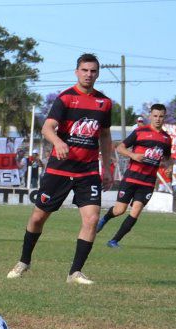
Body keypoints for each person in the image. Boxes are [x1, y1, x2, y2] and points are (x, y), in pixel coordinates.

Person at [6, 53, 113, 285]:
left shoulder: (104, 103)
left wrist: (109, 168)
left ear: (98, 73)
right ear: (77, 72)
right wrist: (58, 142)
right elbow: (47, 128)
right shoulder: (65, 99)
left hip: (88, 171)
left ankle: (75, 272)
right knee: (38, 217)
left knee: (92, 219)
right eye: (84, 70)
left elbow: (105, 136)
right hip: (59, 170)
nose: (88, 74)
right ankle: (24, 261)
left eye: (93, 71)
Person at [96, 103, 172, 247]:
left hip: (148, 182)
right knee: (119, 210)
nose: (158, 119)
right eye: (155, 116)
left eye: (161, 116)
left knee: (136, 211)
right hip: (132, 178)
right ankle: (104, 219)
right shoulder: (140, 132)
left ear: (164, 118)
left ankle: (114, 241)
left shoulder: (167, 139)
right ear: (150, 116)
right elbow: (120, 147)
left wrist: (168, 167)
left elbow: (168, 158)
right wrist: (133, 155)